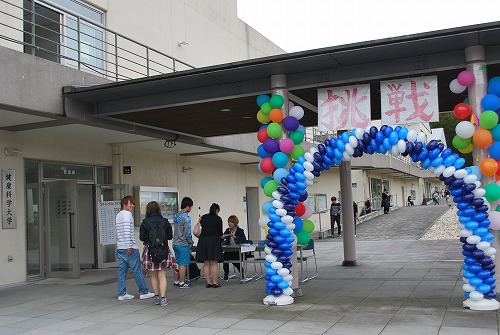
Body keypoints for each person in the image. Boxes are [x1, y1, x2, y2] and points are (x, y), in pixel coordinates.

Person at [115, 195, 154, 301]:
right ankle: (143, 292)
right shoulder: (127, 214)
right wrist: (129, 245)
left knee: (122, 272)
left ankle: (121, 293)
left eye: (133, 203)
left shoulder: (118, 215)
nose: (132, 205)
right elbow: (127, 231)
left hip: (120, 247)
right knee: (137, 271)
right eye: (130, 203)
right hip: (129, 248)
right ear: (124, 204)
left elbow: (120, 232)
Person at [139, 201, 173, 307]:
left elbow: (142, 238)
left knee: (153, 274)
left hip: (150, 251)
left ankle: (157, 296)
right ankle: (163, 298)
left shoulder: (145, 222)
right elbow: (169, 236)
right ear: (159, 209)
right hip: (163, 250)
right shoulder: (165, 221)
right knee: (162, 274)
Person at [196, 203, 224, 288]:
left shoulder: (204, 217)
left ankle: (209, 282)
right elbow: (220, 233)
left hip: (203, 240)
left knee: (206, 263)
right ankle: (215, 282)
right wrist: (222, 237)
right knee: (214, 263)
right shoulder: (218, 219)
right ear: (216, 210)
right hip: (214, 241)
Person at [173, 196, 195, 289]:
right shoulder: (186, 218)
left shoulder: (176, 216)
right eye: (190, 207)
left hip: (175, 243)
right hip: (183, 244)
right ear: (187, 206)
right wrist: (190, 242)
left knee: (177, 262)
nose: (190, 209)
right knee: (183, 263)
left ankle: (176, 280)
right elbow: (187, 232)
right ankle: (182, 282)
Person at [222, 215, 247, 280]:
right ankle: (226, 273)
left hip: (237, 250)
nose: (229, 224)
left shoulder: (240, 230)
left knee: (235, 260)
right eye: (229, 222)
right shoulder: (227, 230)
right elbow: (223, 237)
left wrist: (236, 237)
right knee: (224, 258)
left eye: (231, 222)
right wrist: (224, 236)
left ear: (235, 223)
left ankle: (242, 272)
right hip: (229, 250)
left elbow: (244, 239)